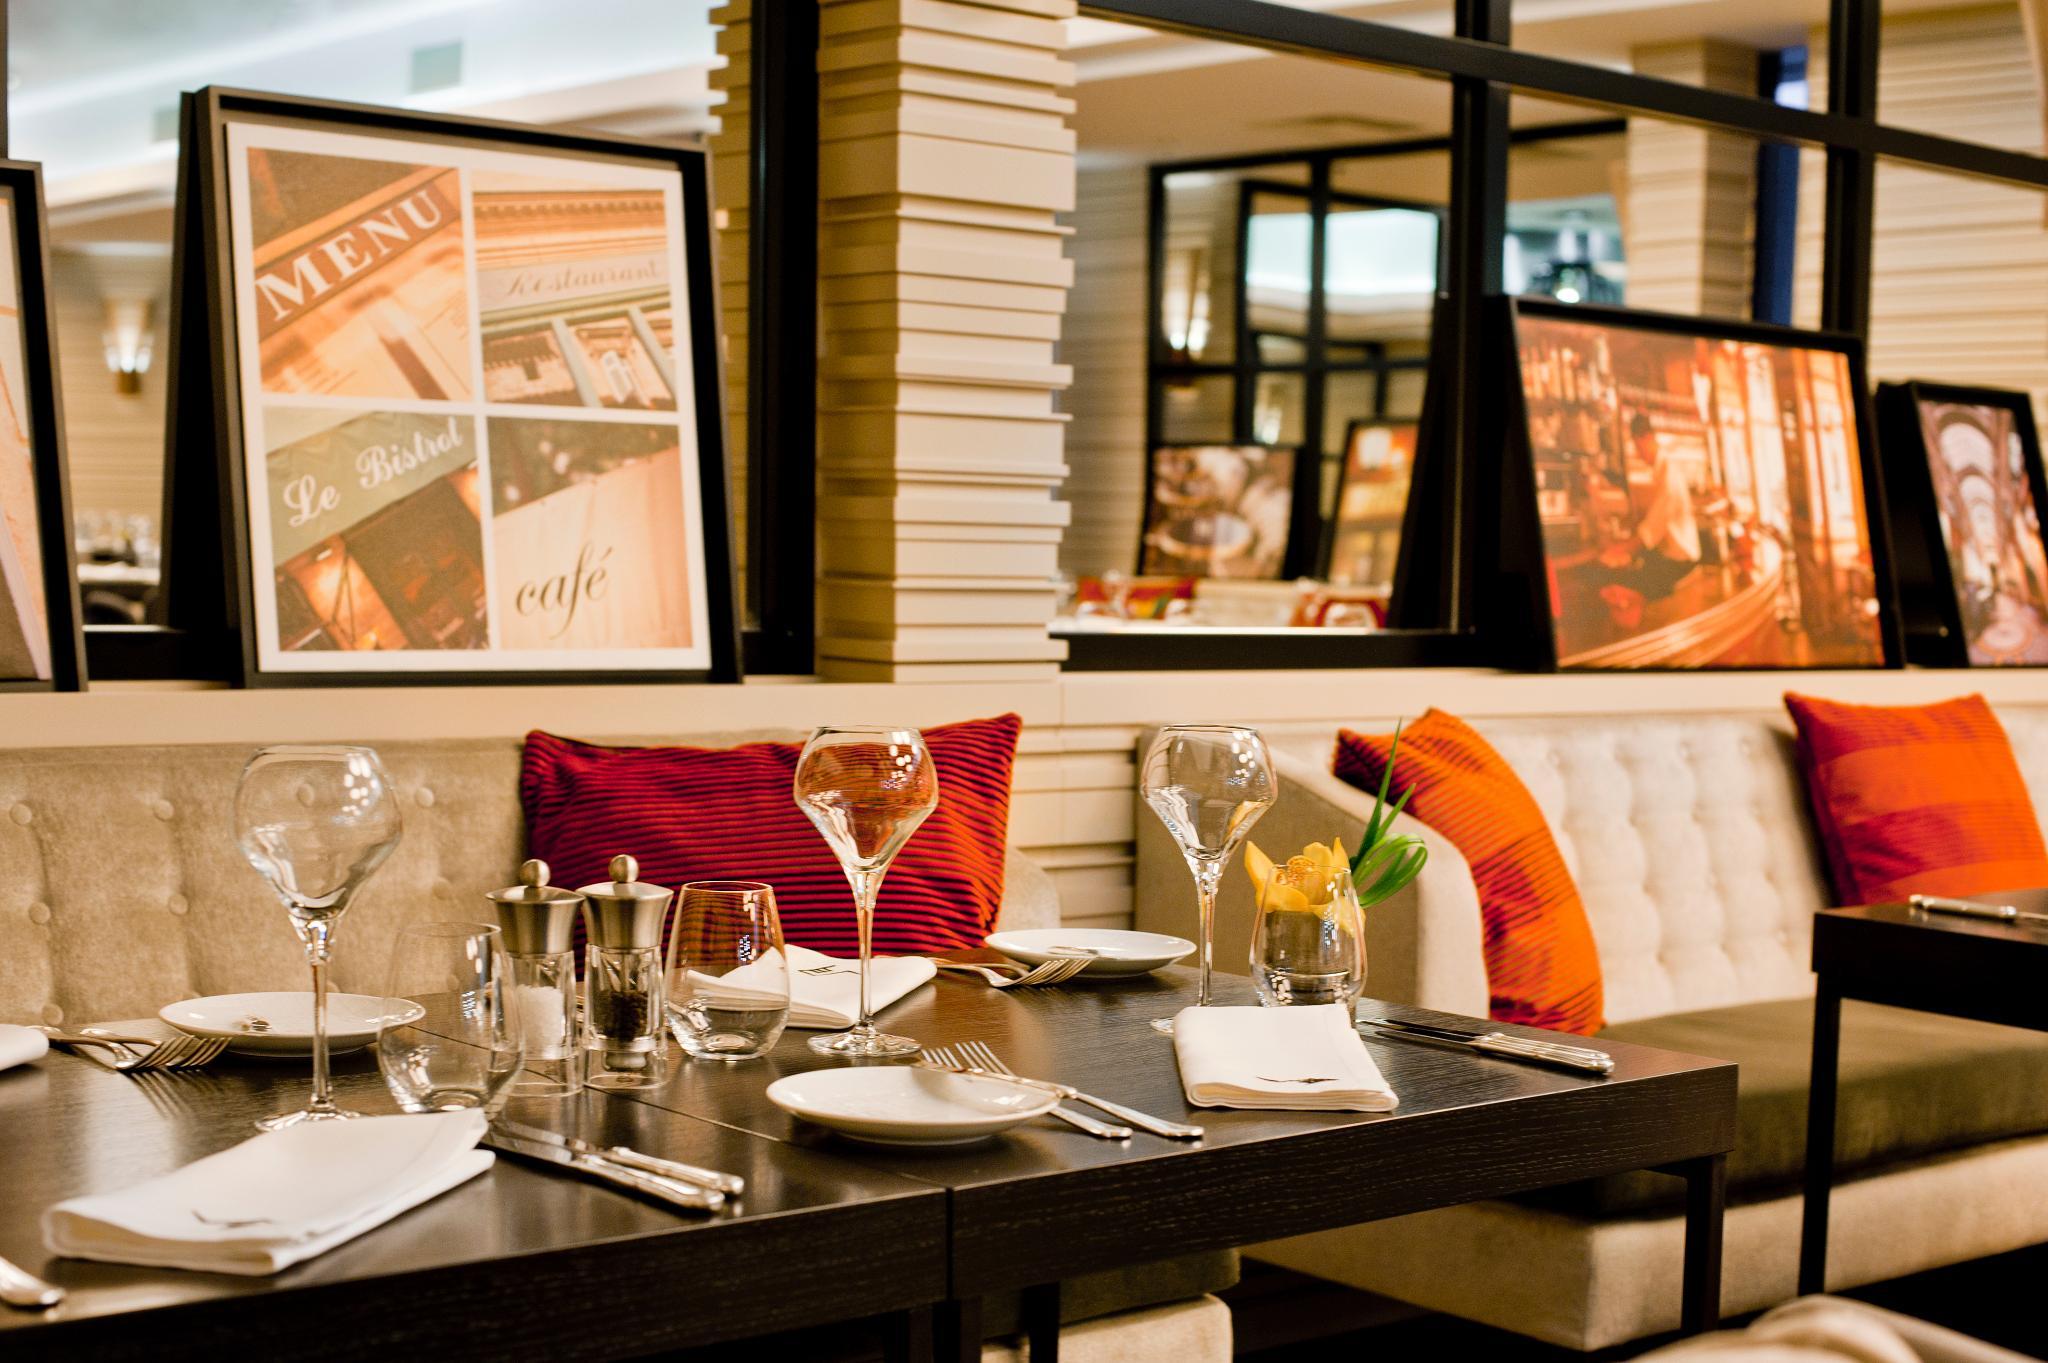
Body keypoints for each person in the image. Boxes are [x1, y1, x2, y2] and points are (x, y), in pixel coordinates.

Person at [1589, 414, 1702, 627]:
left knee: (1630, 586)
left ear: (1648, 437)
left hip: (1680, 562)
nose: (1638, 454)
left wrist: (1621, 549)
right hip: (1668, 556)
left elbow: (1653, 528)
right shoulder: (1661, 470)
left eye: (1638, 447)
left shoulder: (1669, 472)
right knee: (1630, 580)